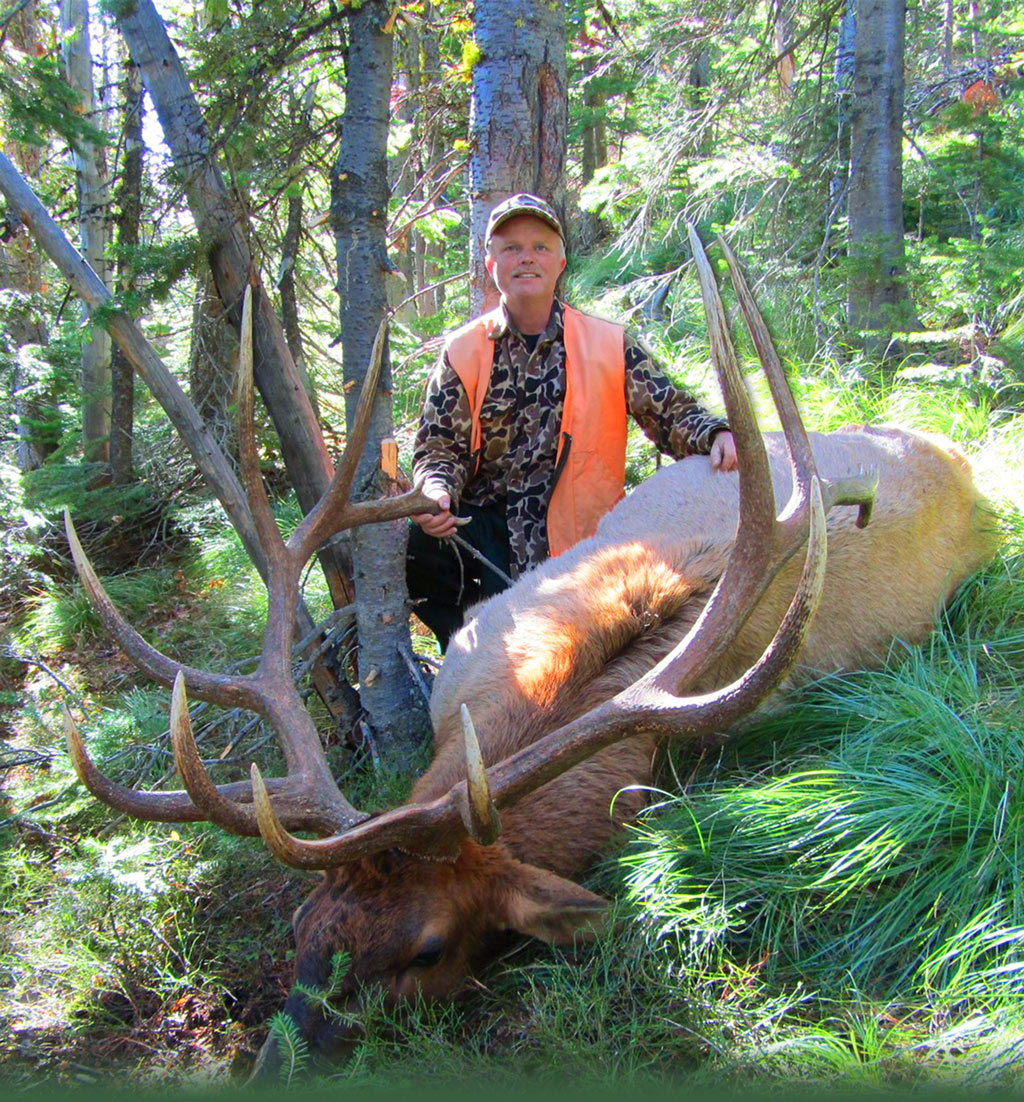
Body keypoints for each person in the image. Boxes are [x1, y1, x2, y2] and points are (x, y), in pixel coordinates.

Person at [407, 193, 737, 651]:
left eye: (540, 247)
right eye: (511, 248)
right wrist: (435, 492)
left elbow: (671, 411)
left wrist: (714, 433)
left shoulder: (608, 344)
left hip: (583, 543)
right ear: (491, 264)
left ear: (560, 261)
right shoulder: (463, 350)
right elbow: (438, 448)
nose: (526, 257)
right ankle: (459, 657)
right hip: (488, 536)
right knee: (416, 546)